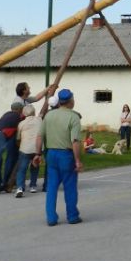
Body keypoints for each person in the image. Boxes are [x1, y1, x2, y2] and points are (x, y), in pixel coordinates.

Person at [37, 88, 83, 226]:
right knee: (69, 186)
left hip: (51, 154)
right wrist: (77, 160)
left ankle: (51, 217)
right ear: (70, 101)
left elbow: (40, 136)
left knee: (51, 187)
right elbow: (75, 141)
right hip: (66, 154)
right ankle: (72, 216)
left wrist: (37, 154)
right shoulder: (73, 117)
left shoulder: (49, 115)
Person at [15, 105, 42, 197]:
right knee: (35, 166)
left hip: (25, 148)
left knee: (22, 169)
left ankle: (20, 187)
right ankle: (33, 186)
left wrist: (20, 146)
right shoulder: (39, 120)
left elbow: (18, 138)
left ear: (24, 113)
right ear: (34, 112)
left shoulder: (21, 124)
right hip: (37, 148)